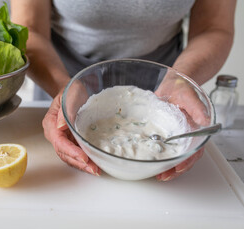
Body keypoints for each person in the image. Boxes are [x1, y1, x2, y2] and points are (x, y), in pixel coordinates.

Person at [12, 0, 236, 181]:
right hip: (62, 76)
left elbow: (214, 27)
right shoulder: (64, 87)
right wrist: (63, 88)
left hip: (167, 77)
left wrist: (180, 80)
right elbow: (28, 28)